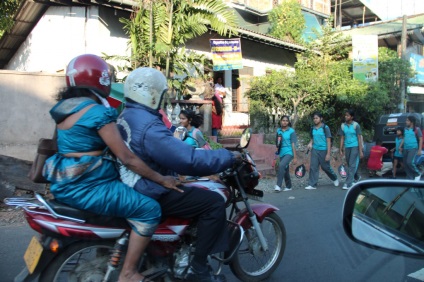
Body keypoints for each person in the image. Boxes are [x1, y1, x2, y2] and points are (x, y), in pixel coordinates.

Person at [42, 54, 180, 282]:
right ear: (101, 80)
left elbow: (58, 146)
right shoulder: (98, 113)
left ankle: (110, 250)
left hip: (65, 184)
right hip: (90, 185)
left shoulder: (62, 110)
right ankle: (128, 273)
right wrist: (162, 179)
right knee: (149, 209)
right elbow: (127, 158)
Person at [116, 67, 242, 282]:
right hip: (147, 189)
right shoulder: (148, 125)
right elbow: (188, 159)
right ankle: (198, 269)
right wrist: (228, 157)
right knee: (212, 202)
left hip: (132, 183)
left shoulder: (127, 115)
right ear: (151, 94)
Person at [305, 112, 339, 190]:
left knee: (325, 167)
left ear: (321, 119)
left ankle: (334, 178)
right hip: (315, 150)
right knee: (313, 167)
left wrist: (328, 154)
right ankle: (312, 184)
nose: (315, 120)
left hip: (323, 150)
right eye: (314, 118)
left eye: (317, 118)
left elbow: (328, 141)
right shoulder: (312, 128)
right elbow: (312, 138)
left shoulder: (325, 128)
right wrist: (310, 143)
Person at [339, 110, 364, 190]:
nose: (346, 117)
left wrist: (360, 151)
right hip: (347, 146)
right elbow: (342, 138)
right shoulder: (343, 126)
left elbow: (359, 138)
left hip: (355, 146)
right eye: (345, 115)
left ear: (352, 117)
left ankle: (348, 183)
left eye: (348, 116)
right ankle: (356, 177)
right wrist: (341, 148)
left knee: (352, 164)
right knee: (349, 164)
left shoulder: (356, 125)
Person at [274, 115, 298, 192]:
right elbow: (277, 142)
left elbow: (293, 144)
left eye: (286, 121)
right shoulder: (278, 131)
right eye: (283, 120)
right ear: (281, 121)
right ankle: (289, 186)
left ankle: (278, 185)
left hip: (289, 152)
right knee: (285, 169)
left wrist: (295, 157)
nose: (285, 122)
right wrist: (276, 153)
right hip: (281, 152)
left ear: (288, 122)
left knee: (281, 165)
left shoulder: (291, 131)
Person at [402, 115, 422, 180]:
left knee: (409, 162)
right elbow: (404, 138)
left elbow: (421, 139)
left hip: (413, 148)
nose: (406, 122)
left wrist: (419, 150)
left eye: (407, 120)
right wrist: (400, 146)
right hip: (405, 148)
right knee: (405, 165)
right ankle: (409, 179)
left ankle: (418, 173)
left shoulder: (417, 129)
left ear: (412, 122)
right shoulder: (405, 129)